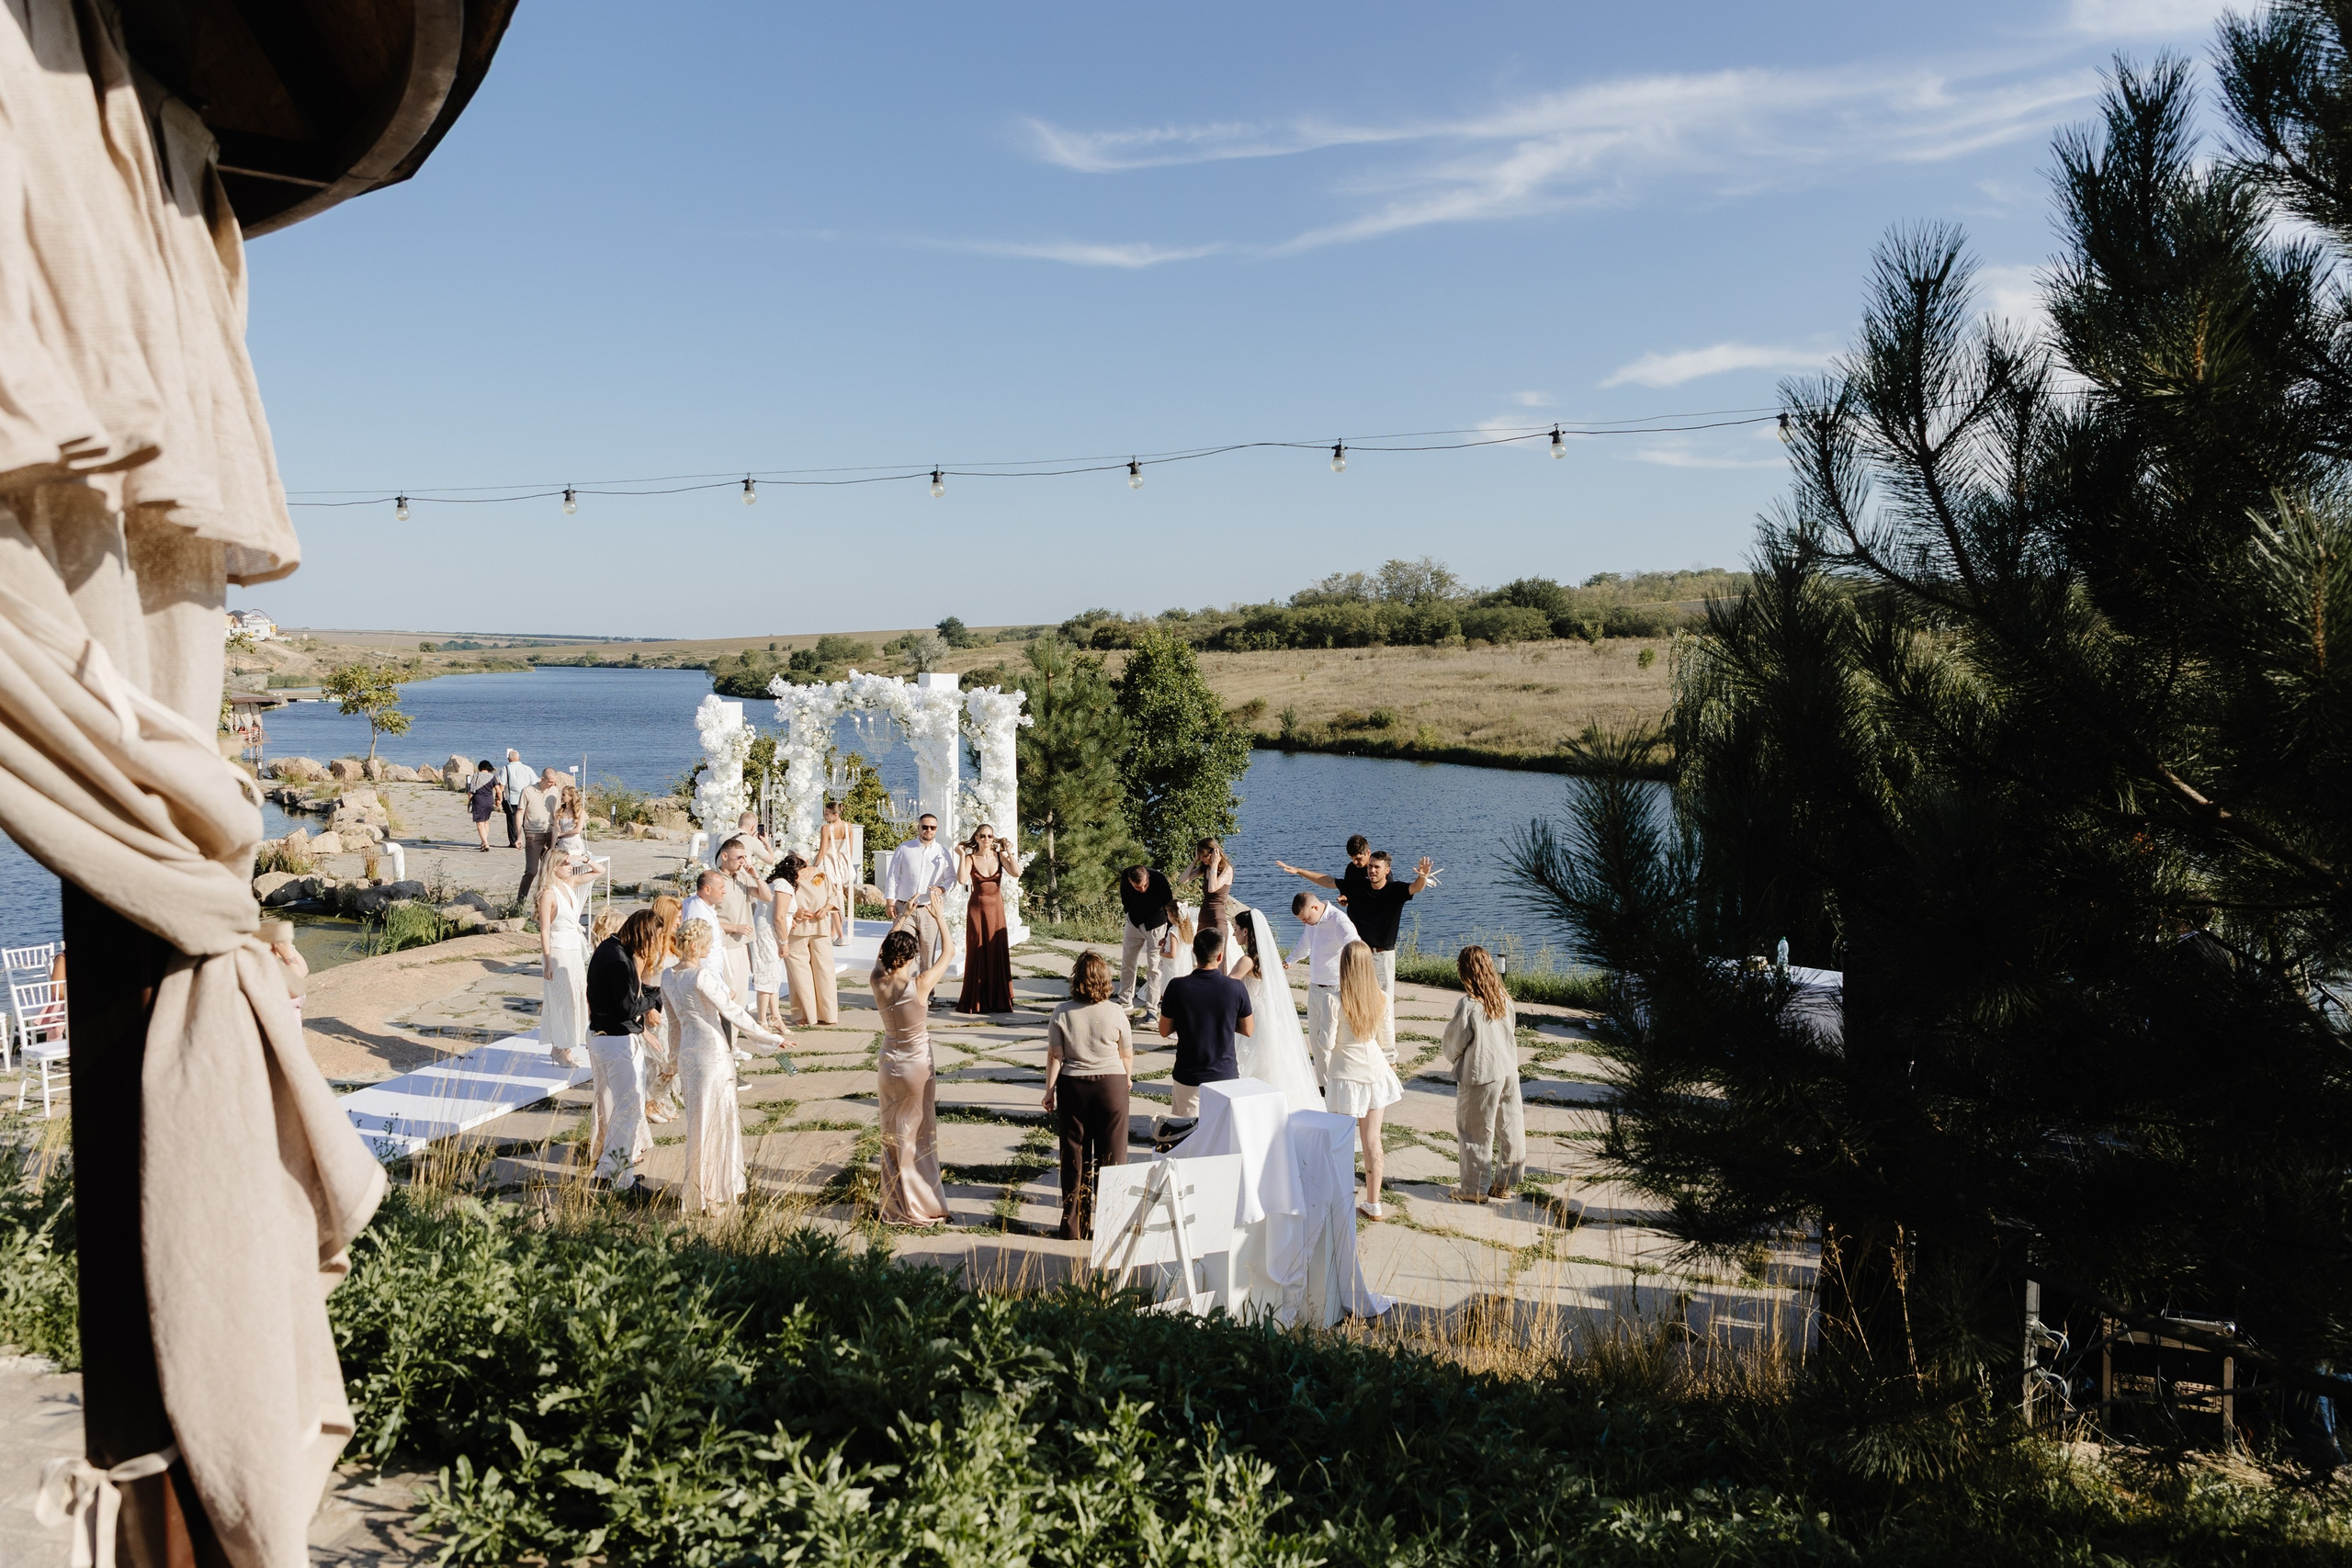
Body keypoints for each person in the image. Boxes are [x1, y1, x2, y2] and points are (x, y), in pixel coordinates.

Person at [661, 920, 789, 1214]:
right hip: (713, 1056)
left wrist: (673, 1060)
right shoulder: (701, 976)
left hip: (690, 1058)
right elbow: (732, 1012)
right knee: (717, 1124)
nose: (709, 948)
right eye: (706, 943)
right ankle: (713, 1194)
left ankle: (699, 1192)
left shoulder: (668, 977)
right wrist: (769, 1038)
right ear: (694, 946)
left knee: (698, 1124)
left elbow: (675, 1025)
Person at [1281, 843, 1433, 1062]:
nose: (1371, 870)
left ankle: (1388, 1057)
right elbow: (1328, 881)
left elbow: (1415, 888)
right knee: (1356, 1003)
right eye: (1370, 867)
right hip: (1356, 956)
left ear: (1386, 870)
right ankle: (1366, 1048)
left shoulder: (1395, 890)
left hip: (1381, 956)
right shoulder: (1358, 886)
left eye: (1376, 867)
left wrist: (1423, 877)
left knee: (1383, 1005)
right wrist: (1300, 871)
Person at [871, 895, 956, 1225]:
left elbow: (881, 954)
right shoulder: (919, 985)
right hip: (916, 1066)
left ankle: (893, 1202)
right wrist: (940, 918)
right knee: (918, 1134)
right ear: (913, 956)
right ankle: (918, 1204)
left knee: (891, 1133)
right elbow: (948, 952)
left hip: (888, 1063)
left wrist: (901, 920)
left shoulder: (877, 979)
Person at [1043, 950, 1134, 1240]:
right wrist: (1127, 1078)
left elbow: (1056, 1056)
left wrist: (1049, 1091)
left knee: (1074, 1157)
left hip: (1074, 1087)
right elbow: (1126, 1054)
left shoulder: (1062, 1012)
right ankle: (1111, 1226)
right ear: (1105, 980)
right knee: (1113, 1157)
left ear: (1076, 980)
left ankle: (1073, 1227)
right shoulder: (1117, 1012)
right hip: (1112, 1087)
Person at [584, 908, 666, 1190]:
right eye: (654, 938)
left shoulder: (610, 947)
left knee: (624, 1107)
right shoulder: (619, 959)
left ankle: (608, 1172)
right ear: (643, 933)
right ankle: (621, 1178)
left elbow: (624, 995)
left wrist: (647, 991)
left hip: (604, 1037)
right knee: (628, 1108)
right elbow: (627, 1007)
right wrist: (653, 998)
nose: (654, 944)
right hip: (616, 1040)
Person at [1441, 945, 1524, 1204]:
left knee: (1474, 1131)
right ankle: (1505, 1183)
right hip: (1508, 1069)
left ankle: (1474, 1188)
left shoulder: (1469, 1005)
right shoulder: (1503, 999)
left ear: (1465, 971)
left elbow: (1455, 1042)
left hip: (1481, 1072)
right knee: (1510, 1126)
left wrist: (1453, 1057)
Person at [1330, 941, 1406, 1219]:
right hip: (1375, 1071)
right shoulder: (1382, 998)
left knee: (1342, 1140)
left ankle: (1340, 1199)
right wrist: (1391, 1064)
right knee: (1373, 1139)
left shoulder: (1336, 1000)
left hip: (1346, 1075)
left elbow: (1326, 1041)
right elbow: (1387, 1040)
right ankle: (1374, 1202)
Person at [1156, 926, 1253, 1134]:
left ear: (1194, 952)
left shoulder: (1177, 986)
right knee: (1221, 1137)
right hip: (1225, 1076)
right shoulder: (1235, 988)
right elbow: (1248, 1029)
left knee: (1185, 1137)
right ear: (1220, 956)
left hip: (1188, 1075)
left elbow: (1164, 1030)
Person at [1231, 907, 1322, 1112]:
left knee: (1252, 1059)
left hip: (1250, 1014)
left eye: (1236, 928)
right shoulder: (1266, 959)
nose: (1234, 933)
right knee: (1269, 1058)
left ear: (1246, 931)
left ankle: (1253, 1104)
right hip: (1268, 1014)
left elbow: (1227, 985)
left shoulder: (1246, 960)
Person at [1287, 890, 1361, 1069]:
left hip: (1335, 988)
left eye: (1305, 918)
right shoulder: (1311, 924)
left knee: (1334, 1038)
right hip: (1315, 987)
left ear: (1315, 906)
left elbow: (1355, 947)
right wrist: (1288, 960)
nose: (1305, 922)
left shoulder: (1339, 921)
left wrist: (1352, 980)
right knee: (1316, 1037)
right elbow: (1304, 945)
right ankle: (1322, 1084)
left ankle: (1338, 1078)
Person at [537, 851, 595, 1068]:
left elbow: (600, 871)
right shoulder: (548, 894)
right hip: (558, 950)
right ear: (554, 867)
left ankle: (564, 1048)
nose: (570, 867)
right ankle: (560, 1049)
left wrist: (585, 859)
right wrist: (548, 960)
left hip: (574, 949)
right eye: (565, 864)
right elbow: (544, 930)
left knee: (577, 996)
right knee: (561, 1000)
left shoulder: (569, 884)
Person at [955, 823, 1020, 1015]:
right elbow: (961, 879)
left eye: (990, 836)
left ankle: (998, 998)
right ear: (976, 838)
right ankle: (976, 998)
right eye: (982, 836)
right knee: (977, 950)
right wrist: (960, 857)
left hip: (996, 909)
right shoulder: (970, 858)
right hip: (977, 909)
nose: (986, 839)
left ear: (993, 838)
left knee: (996, 949)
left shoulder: (999, 857)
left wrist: (1009, 852)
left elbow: (1016, 872)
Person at [883, 813, 956, 984]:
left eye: (932, 827)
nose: (928, 830)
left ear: (936, 830)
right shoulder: (904, 848)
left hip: (929, 910)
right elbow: (893, 876)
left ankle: (927, 994)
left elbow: (952, 878)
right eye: (925, 827)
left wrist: (941, 888)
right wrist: (890, 902)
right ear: (919, 828)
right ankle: (903, 989)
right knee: (901, 950)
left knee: (928, 953)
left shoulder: (942, 853)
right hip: (904, 908)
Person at [776, 852, 843, 1027]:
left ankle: (827, 1014)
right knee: (799, 974)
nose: (803, 865)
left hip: (820, 926)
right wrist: (795, 912)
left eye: (804, 861)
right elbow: (778, 899)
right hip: (796, 927)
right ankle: (802, 1014)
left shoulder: (821, 875)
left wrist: (827, 908)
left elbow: (833, 895)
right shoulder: (787, 875)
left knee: (825, 971)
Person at [1114, 864, 1178, 1023]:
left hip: (1156, 925)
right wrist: (1127, 910)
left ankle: (1152, 1009)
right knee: (1128, 961)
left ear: (1148, 877)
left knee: (1154, 967)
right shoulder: (1125, 876)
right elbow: (1124, 895)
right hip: (1134, 922)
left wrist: (1169, 933)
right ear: (1130, 881)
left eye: (1145, 885)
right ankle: (1125, 1000)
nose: (1142, 889)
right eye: (1137, 887)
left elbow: (1169, 905)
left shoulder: (1159, 880)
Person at [644, 894, 684, 1123]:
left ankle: (661, 1098)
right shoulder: (650, 946)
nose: (680, 922)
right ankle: (649, 1103)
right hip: (657, 1007)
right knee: (657, 1059)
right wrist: (649, 1009)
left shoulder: (673, 943)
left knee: (672, 1059)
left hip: (674, 1008)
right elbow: (643, 981)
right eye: (677, 917)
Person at [752, 853, 789, 1032]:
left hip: (771, 933)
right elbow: (779, 916)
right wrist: (784, 942)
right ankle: (761, 1021)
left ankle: (775, 1017)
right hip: (770, 935)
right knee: (766, 977)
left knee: (774, 976)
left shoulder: (780, 884)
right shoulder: (783, 886)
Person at [514, 767, 558, 904]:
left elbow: (557, 813)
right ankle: (520, 901)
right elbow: (520, 812)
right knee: (532, 870)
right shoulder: (528, 791)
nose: (552, 784)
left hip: (550, 832)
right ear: (542, 779)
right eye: (550, 781)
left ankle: (547, 901)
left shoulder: (555, 791)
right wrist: (519, 836)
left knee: (550, 870)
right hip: (533, 833)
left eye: (554, 781)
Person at [815, 798, 858, 928]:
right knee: (836, 895)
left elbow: (822, 851)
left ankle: (836, 930)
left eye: (827, 813)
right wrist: (846, 865)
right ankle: (835, 931)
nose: (825, 816)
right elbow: (850, 850)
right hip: (841, 861)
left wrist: (814, 866)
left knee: (830, 896)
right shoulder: (848, 826)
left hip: (827, 862)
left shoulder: (826, 828)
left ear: (836, 814)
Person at [1187, 837, 1234, 941]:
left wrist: (1215, 865)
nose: (1202, 859)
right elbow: (1183, 880)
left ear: (1214, 853)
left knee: (1218, 954)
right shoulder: (1205, 868)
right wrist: (1195, 861)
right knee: (1200, 953)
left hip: (1217, 918)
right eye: (1200, 856)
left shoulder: (1227, 869)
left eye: (1204, 856)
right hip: (1203, 916)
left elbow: (1212, 888)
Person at [499, 749, 534, 848]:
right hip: (527, 799)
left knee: (512, 822)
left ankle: (514, 841)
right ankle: (530, 841)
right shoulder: (527, 769)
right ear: (519, 758)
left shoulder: (505, 769)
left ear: (509, 759)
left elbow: (502, 784)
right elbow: (535, 783)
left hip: (512, 799)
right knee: (527, 821)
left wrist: (499, 798)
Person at [468, 759, 499, 852]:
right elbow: (498, 790)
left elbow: (471, 791)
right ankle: (483, 842)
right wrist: (499, 800)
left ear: (480, 767)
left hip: (479, 800)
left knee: (479, 823)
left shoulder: (476, 776)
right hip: (489, 801)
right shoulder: (493, 777)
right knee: (486, 821)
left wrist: (469, 802)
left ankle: (485, 843)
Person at [552, 781, 589, 859]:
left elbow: (578, 830)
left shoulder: (580, 811)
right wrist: (552, 847)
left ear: (571, 797)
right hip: (562, 843)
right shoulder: (559, 811)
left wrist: (563, 834)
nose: (561, 796)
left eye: (563, 795)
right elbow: (556, 830)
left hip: (575, 842)